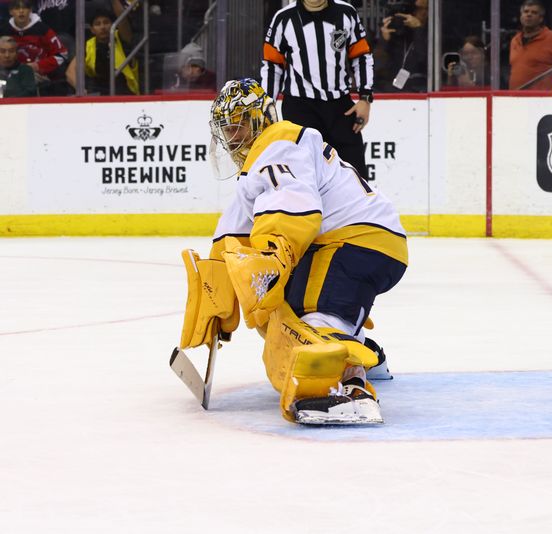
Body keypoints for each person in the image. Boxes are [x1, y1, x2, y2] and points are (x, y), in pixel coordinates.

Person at [178, 78, 407, 425]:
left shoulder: (279, 143)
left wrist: (273, 252)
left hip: (359, 239)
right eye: (226, 129)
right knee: (287, 306)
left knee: (312, 314)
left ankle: (351, 394)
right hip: (364, 238)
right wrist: (214, 283)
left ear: (260, 119)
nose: (233, 137)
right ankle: (361, 350)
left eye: (239, 123)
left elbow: (293, 203)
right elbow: (233, 233)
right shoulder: (259, 162)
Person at [261, 0, 373, 180]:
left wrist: (365, 98)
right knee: (303, 176)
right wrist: (265, 108)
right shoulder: (283, 19)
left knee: (355, 175)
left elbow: (361, 56)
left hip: (341, 107)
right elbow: (273, 67)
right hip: (299, 109)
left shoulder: (346, 13)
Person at [65, 0, 138, 95]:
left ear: (113, 25)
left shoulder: (122, 37)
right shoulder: (89, 45)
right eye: (97, 24)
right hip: (99, 94)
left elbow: (123, 21)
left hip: (126, 93)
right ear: (92, 30)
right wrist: (81, 90)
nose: (102, 27)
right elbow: (70, 72)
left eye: (106, 22)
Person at [0, 0, 67, 84]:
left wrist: (38, 65)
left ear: (30, 10)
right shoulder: (4, 30)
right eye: (17, 8)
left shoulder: (43, 30)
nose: (21, 11)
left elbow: (62, 55)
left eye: (25, 8)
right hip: (6, 73)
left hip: (36, 75)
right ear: (10, 11)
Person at [508, 0, 552, 90]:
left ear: (541, 19)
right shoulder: (515, 41)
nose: (529, 14)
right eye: (526, 11)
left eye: (534, 12)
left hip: (543, 100)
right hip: (515, 99)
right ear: (521, 16)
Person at [373, 0, 429, 93]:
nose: (423, 12)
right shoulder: (399, 35)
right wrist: (384, 41)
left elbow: (423, 59)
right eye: (418, 9)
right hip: (393, 91)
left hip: (420, 89)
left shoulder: (434, 33)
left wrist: (418, 29)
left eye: (426, 9)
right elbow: (378, 68)